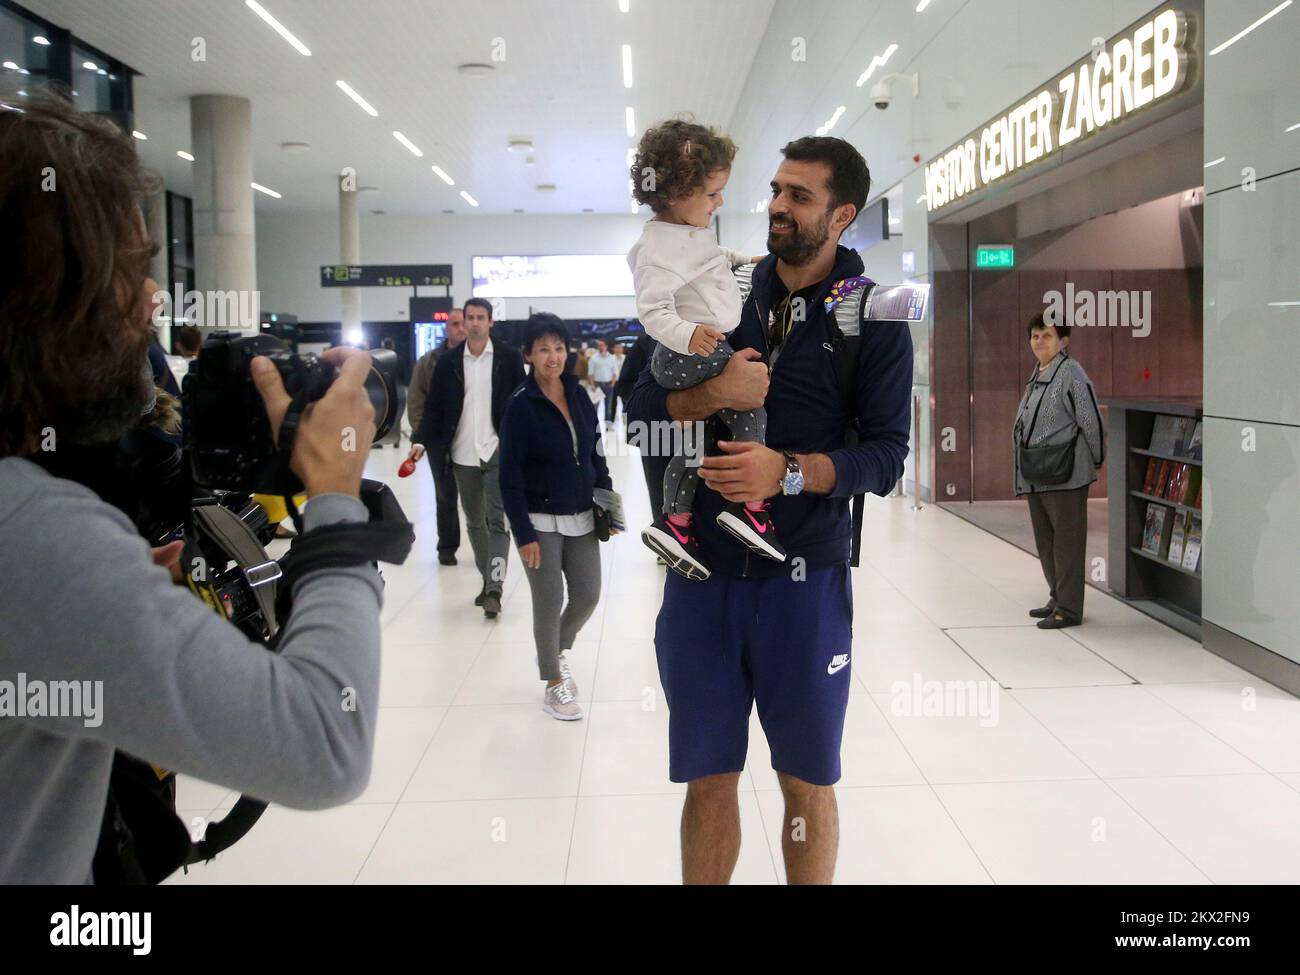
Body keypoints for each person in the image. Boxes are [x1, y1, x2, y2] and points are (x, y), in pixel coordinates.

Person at [0, 92, 384, 884]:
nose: (152, 298)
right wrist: (338, 499)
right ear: (48, 292)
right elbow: (323, 742)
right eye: (132, 269)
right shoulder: (33, 535)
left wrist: (117, 589)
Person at [627, 135, 912, 885]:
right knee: (708, 776)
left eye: (800, 196)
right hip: (700, 579)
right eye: (777, 190)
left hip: (803, 581)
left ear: (843, 215)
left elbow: (885, 456)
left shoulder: (873, 316)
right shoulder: (719, 282)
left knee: (807, 780)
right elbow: (636, 409)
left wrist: (785, 472)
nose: (777, 206)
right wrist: (710, 395)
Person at [627, 118, 771, 580]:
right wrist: (688, 335)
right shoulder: (655, 250)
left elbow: (710, 257)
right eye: (711, 194)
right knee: (749, 404)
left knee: (692, 439)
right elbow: (652, 312)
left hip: (695, 349)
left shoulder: (689, 229)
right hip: (686, 352)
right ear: (674, 193)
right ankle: (749, 506)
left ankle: (676, 521)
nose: (719, 201)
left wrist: (742, 260)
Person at [499, 313, 614, 721]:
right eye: (543, 349)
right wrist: (523, 532)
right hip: (539, 520)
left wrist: (608, 503)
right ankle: (553, 682)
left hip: (582, 513)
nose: (553, 356)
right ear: (529, 355)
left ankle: (553, 652)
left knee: (587, 595)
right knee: (548, 602)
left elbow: (595, 452)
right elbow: (508, 476)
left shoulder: (580, 395)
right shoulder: (520, 406)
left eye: (559, 347)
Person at [407, 299, 526, 619]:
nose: (474, 323)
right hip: (461, 455)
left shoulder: (508, 358)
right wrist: (419, 440)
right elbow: (433, 408)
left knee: (497, 522)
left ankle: (494, 587)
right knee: (475, 522)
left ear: (490, 322)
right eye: (469, 317)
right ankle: (488, 578)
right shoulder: (447, 363)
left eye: (480, 317)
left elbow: (523, 403)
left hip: (497, 451)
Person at [1014, 312, 1105, 629]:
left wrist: (1094, 458)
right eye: (1035, 335)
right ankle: (1057, 597)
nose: (1039, 341)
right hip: (1038, 473)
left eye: (1047, 336)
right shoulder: (1039, 372)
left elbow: (1090, 420)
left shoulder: (1072, 373)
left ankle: (1069, 608)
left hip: (1066, 472)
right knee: (1047, 542)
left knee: (1066, 543)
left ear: (1063, 341)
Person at [408, 308, 467, 565]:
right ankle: (447, 547)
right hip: (439, 441)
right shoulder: (428, 362)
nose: (460, 328)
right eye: (455, 324)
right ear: (446, 328)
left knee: (482, 498)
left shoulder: (481, 359)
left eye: (463, 323)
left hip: (473, 438)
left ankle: (487, 546)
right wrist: (423, 437)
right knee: (445, 495)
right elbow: (417, 400)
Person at [587, 339, 619, 426]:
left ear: (606, 346)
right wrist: (593, 385)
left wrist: (612, 383)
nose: (600, 347)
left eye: (602, 345)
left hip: (609, 385)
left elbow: (615, 372)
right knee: (595, 407)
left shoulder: (611, 358)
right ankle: (593, 425)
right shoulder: (594, 358)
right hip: (597, 385)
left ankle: (608, 426)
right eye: (599, 345)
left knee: (608, 407)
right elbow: (590, 373)